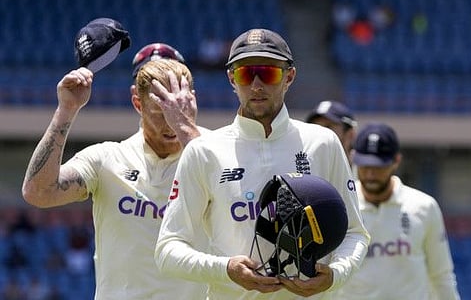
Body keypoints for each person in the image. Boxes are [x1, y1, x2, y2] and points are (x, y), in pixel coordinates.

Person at [155, 28, 370, 299]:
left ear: (289, 76)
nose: (256, 85)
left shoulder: (323, 142)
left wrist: (335, 275)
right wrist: (225, 269)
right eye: (246, 74)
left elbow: (355, 233)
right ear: (232, 78)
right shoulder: (203, 151)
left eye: (268, 73)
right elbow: (167, 249)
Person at [22, 43, 209, 299]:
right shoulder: (106, 158)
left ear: (190, 98)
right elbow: (38, 193)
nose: (169, 123)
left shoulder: (217, 153)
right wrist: (66, 110)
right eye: (159, 110)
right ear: (137, 102)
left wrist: (186, 129)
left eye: (174, 105)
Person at [335, 122, 460, 299]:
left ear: (396, 161)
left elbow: (441, 275)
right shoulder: (341, 205)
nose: (370, 174)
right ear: (354, 158)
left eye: (378, 167)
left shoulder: (424, 206)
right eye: (365, 166)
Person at [305, 100, 357, 165]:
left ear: (350, 134)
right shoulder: (303, 167)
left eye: (328, 127)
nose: (319, 132)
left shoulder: (366, 170)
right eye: (315, 127)